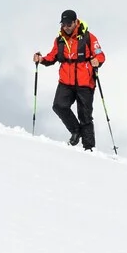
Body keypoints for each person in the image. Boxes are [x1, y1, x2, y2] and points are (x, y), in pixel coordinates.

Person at [34, 9, 106, 150]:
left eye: (68, 23)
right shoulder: (60, 40)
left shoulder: (88, 37)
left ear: (75, 22)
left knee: (85, 116)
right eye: (63, 24)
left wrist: (97, 60)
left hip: (85, 83)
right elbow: (52, 57)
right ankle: (75, 130)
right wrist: (41, 59)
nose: (65, 27)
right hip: (66, 82)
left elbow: (100, 54)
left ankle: (89, 148)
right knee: (59, 106)